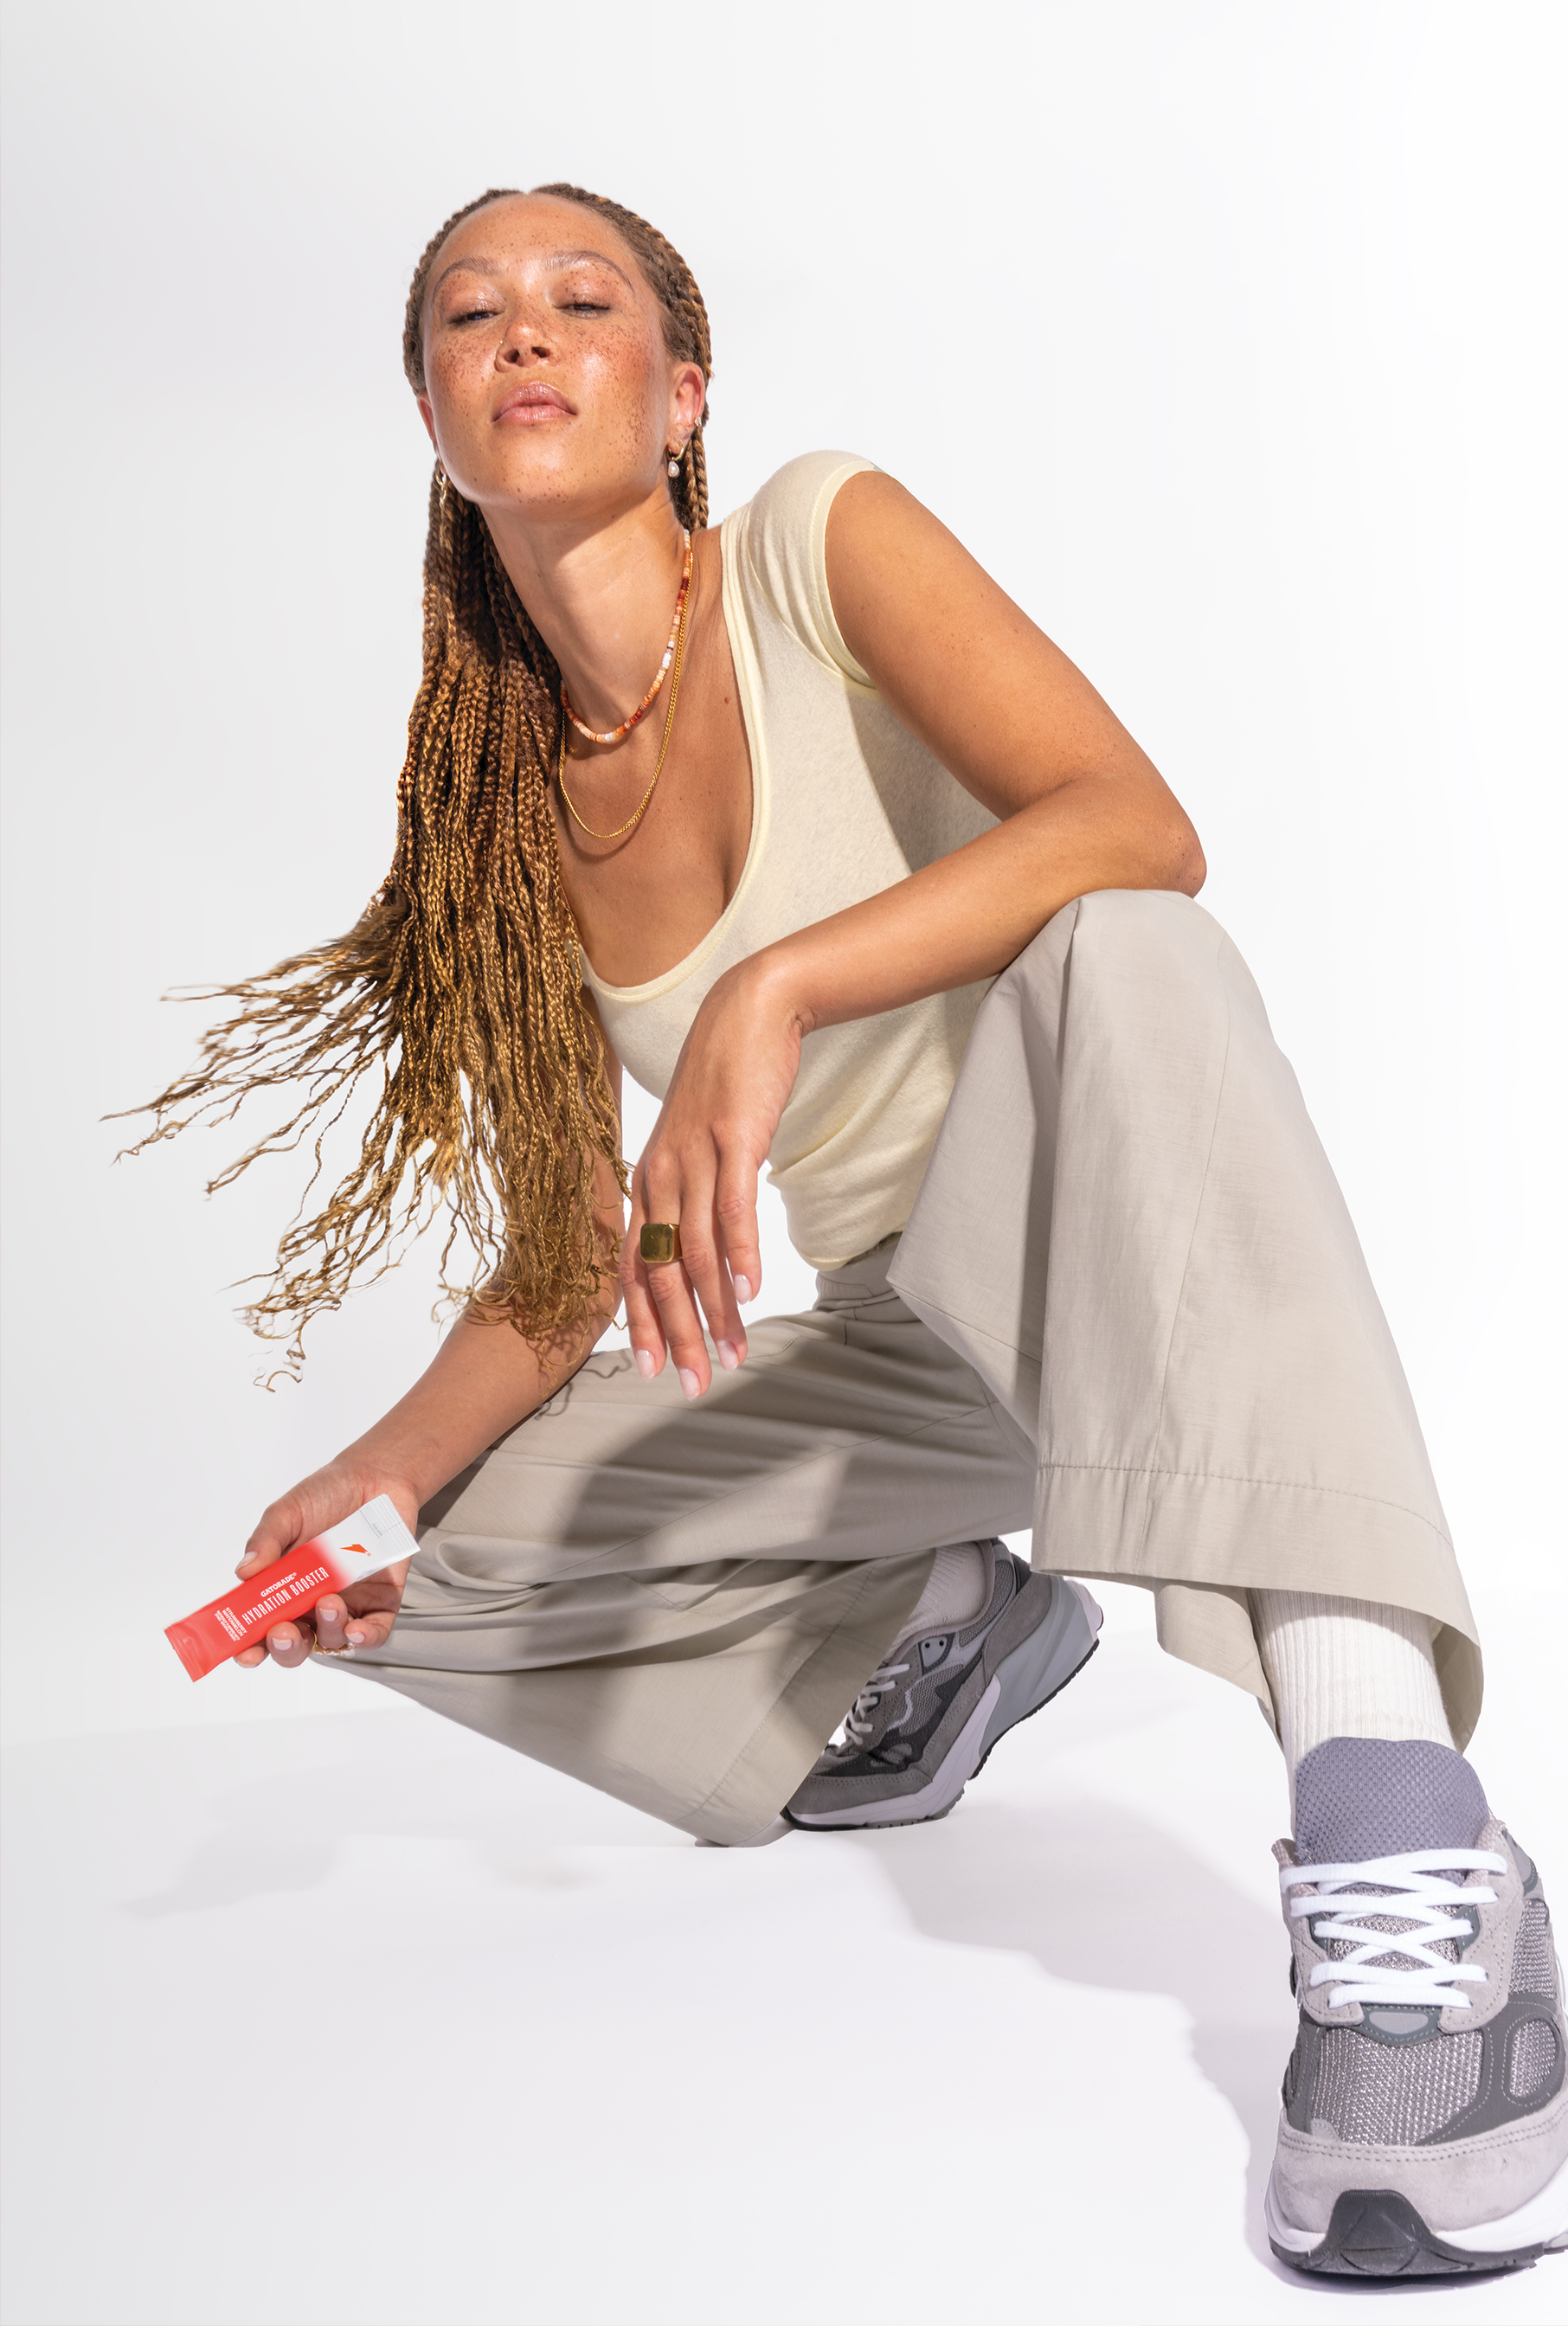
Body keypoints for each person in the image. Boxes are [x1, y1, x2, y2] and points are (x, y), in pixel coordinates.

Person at [134, 184, 1566, 2279]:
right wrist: (380, 1477)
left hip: (1120, 1213)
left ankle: (1400, 1839)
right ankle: (934, 1621)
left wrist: (767, 986)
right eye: (470, 316)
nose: (525, 335)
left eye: (581, 300)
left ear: (679, 389)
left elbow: (1135, 815)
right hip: (928, 1341)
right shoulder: (502, 807)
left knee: (1128, 949)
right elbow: (558, 1265)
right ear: (433, 413)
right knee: (438, 1568)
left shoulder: (814, 538)